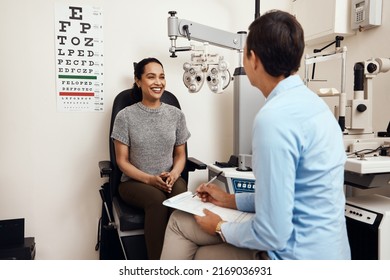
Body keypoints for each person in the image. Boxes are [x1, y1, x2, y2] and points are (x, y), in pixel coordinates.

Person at [160, 10, 351, 260]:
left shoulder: (274, 118)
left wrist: (220, 227)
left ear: (254, 59)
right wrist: (229, 200)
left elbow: (273, 233)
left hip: (295, 257)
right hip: (332, 251)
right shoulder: (316, 107)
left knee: (186, 235)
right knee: (194, 239)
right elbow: (286, 195)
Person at [111, 57, 191, 259]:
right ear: (138, 81)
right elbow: (122, 162)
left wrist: (174, 174)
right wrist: (149, 179)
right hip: (134, 182)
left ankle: (180, 261)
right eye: (151, 77)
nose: (158, 82)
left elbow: (180, 154)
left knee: (181, 199)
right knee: (156, 201)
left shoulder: (176, 115)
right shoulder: (125, 116)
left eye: (162, 77)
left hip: (168, 178)